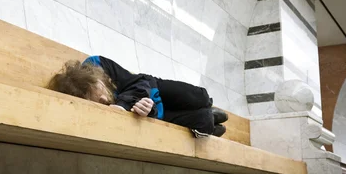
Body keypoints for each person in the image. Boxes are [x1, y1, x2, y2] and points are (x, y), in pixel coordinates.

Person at [47, 55, 228, 137]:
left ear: (97, 80)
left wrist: (123, 105)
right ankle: (210, 121)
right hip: (157, 115)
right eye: (97, 101)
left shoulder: (96, 64)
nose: (104, 99)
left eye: (100, 90)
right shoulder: (95, 110)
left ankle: (209, 114)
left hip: (154, 87)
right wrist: (143, 110)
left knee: (201, 97)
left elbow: (138, 81)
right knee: (204, 120)